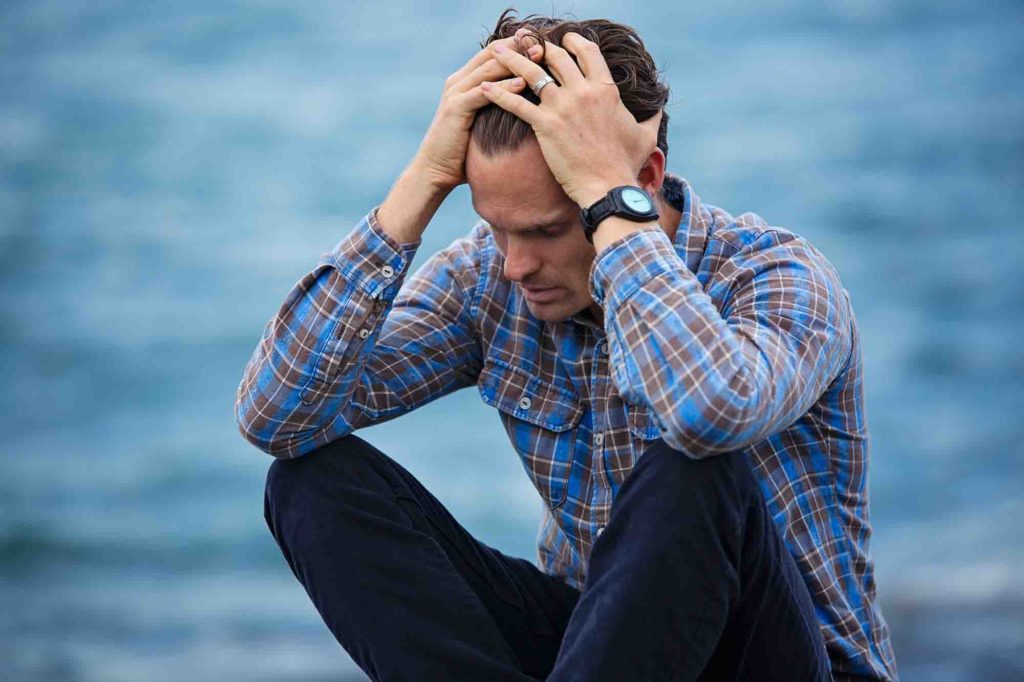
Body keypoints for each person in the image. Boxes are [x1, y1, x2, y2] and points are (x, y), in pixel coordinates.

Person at [235, 10, 898, 682]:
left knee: (695, 466)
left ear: (641, 179)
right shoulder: (490, 281)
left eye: (548, 230)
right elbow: (276, 417)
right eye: (497, 228)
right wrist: (422, 182)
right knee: (309, 483)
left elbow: (707, 412)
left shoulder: (776, 277)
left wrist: (612, 208)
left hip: (782, 662)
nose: (517, 264)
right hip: (600, 649)